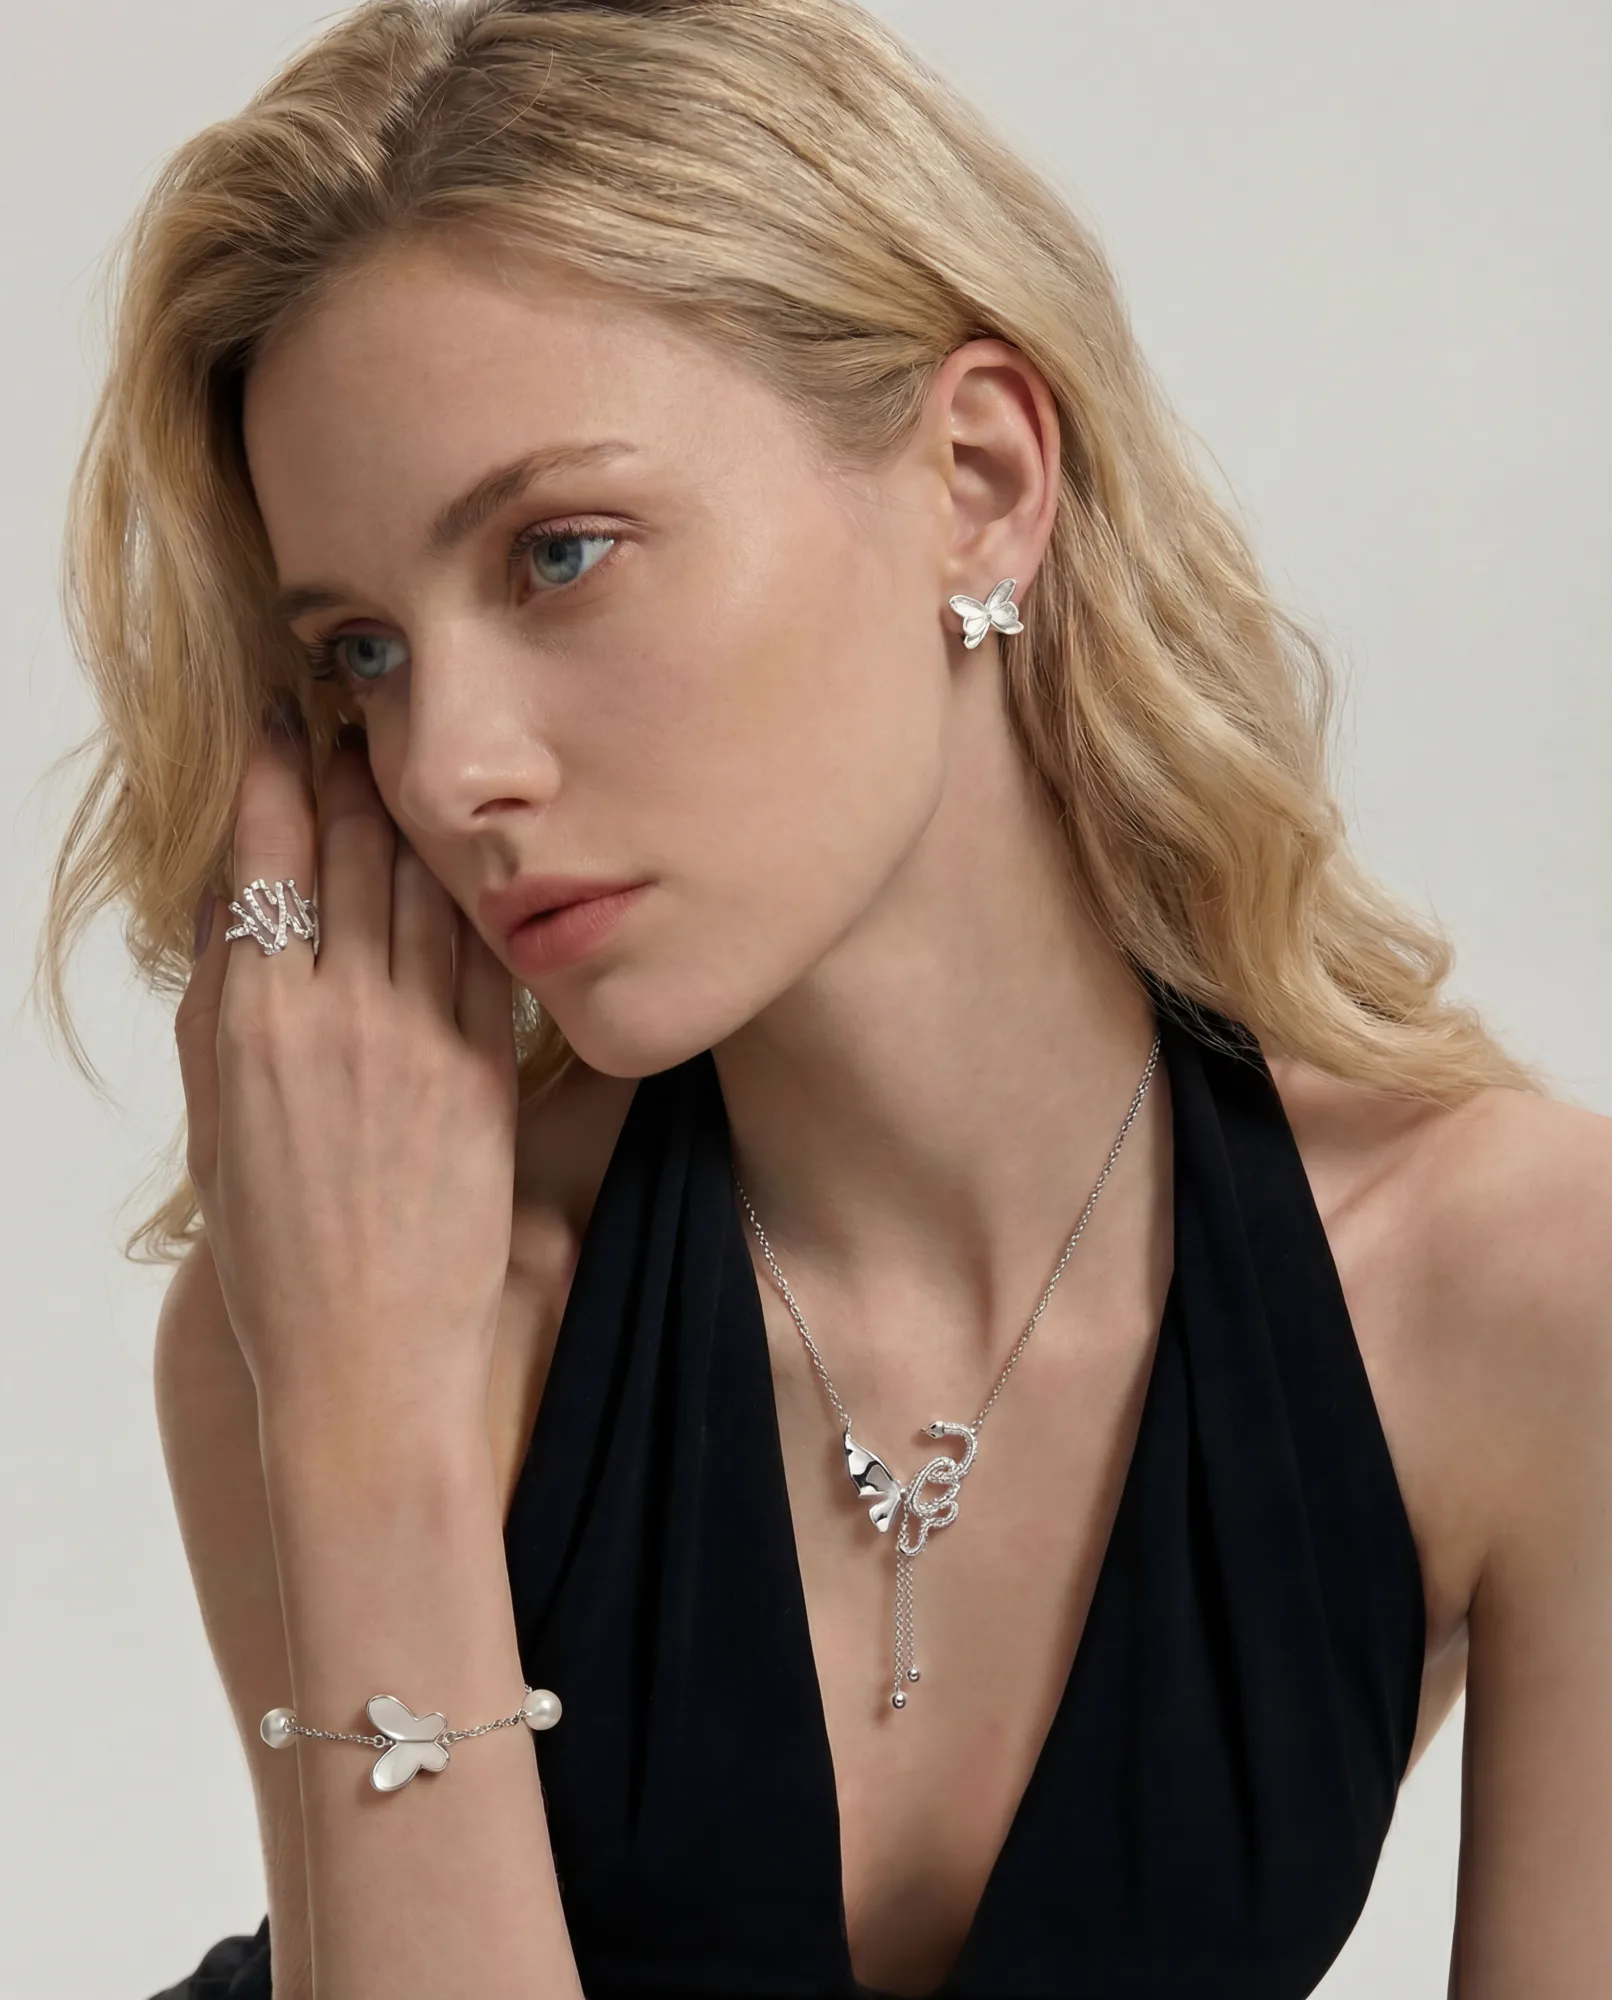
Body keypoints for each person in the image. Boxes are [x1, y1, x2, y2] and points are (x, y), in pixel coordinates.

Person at [35, 1, 1611, 1995]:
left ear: (972, 478)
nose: (443, 769)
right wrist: (362, 1427)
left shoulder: (1518, 1292)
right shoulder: (368, 1304)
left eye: (559, 551)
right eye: (361, 651)